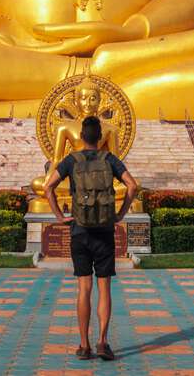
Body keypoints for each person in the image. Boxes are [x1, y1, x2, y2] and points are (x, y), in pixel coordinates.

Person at [44, 114, 139, 361]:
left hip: (79, 231)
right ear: (100, 137)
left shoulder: (71, 160)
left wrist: (58, 216)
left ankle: (84, 344)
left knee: (83, 288)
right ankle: (102, 342)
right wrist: (120, 213)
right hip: (105, 231)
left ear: (81, 137)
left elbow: (47, 186)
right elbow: (132, 185)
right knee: (104, 287)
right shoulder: (110, 159)